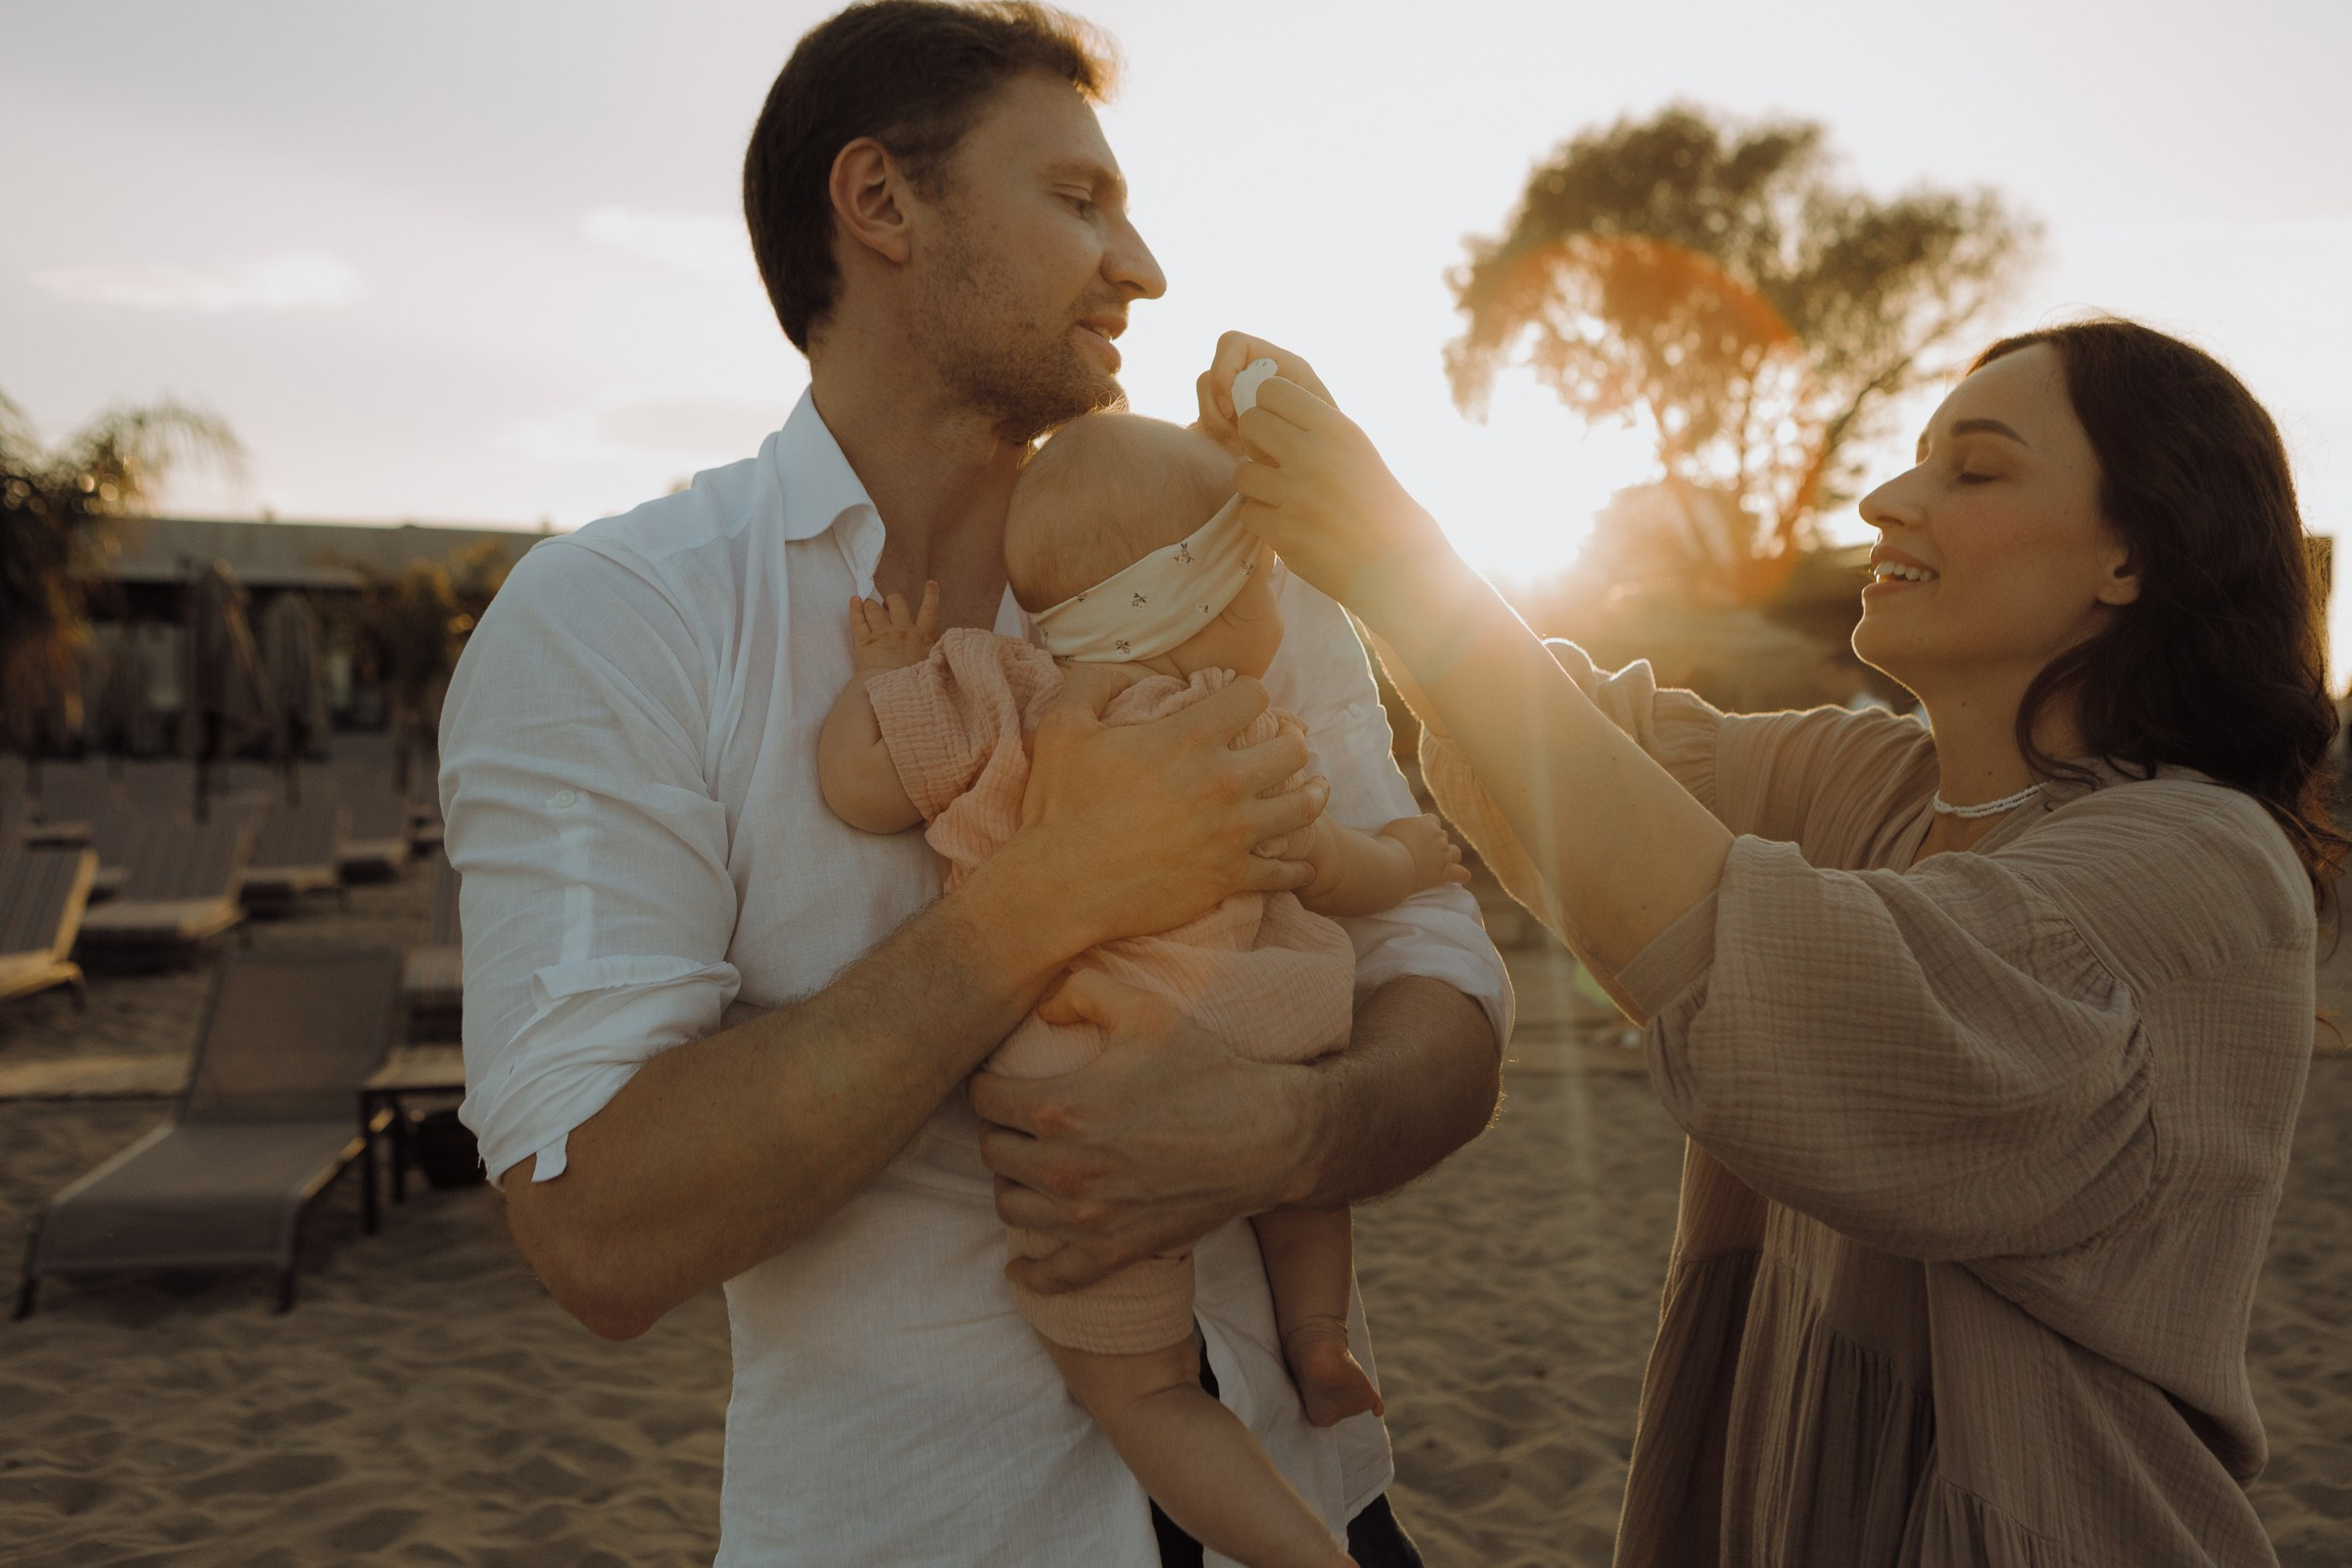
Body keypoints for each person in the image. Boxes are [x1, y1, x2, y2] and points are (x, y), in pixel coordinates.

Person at [437, 5, 1509, 1564]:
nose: (1140, 267)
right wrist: (1058, 892)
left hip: (1315, 1506)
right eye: (1079, 202)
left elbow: (1449, 1000)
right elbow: (598, 1227)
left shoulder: (1221, 571)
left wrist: (1285, 1137)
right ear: (879, 204)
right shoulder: (621, 621)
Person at [1223, 317, 2332, 1565]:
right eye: (1914, 458)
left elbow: (1764, 952)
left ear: (2129, 554)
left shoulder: (2205, 862)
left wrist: (1396, 556)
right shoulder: (1875, 784)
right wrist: (1336, 523)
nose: (1884, 496)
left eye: (1972, 469)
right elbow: (1569, 750)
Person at [818, 410, 1470, 1568]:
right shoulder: (1246, 734)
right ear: (1212, 607)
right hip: (1264, 1018)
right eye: (1263, 580)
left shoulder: (1008, 699)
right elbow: (1333, 866)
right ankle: (1318, 1331)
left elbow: (861, 783)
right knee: (1297, 1144)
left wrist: (886, 677)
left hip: (1086, 1067)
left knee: (1150, 1395)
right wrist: (1412, 856)